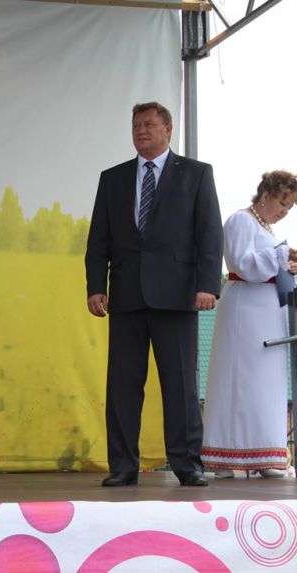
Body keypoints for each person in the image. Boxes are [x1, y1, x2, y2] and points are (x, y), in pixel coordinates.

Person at [85, 101, 223, 487]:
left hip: (178, 297)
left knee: (180, 386)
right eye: (136, 125)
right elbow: (98, 240)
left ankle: (187, 464)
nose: (141, 130)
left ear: (168, 129)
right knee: (123, 387)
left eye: (148, 124)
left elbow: (210, 233)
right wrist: (96, 287)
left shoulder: (196, 174)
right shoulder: (113, 178)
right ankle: (123, 466)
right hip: (126, 296)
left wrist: (207, 285)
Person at [201, 171, 297, 479]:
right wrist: (281, 255)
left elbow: (269, 263)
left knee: (264, 381)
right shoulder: (241, 220)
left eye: (290, 207)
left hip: (267, 310)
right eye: (282, 203)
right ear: (266, 195)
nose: (285, 211)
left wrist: (288, 266)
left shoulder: (265, 228)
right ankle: (227, 454)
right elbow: (241, 263)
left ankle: (264, 453)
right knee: (240, 378)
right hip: (245, 309)